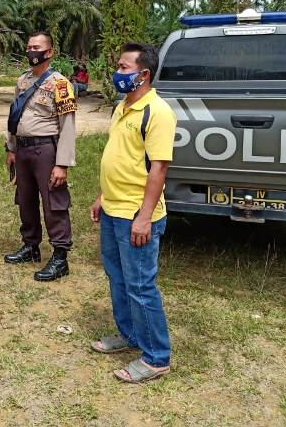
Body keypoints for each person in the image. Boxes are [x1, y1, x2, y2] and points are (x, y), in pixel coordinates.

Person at [90, 42, 177, 384]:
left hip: (136, 215)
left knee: (141, 285)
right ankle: (129, 335)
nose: (117, 72)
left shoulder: (158, 112)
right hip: (113, 209)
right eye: (118, 66)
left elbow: (158, 170)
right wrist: (101, 196)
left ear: (144, 73)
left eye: (124, 68)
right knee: (119, 278)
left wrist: (144, 216)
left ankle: (156, 357)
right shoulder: (122, 107)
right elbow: (119, 156)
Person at [5, 32, 77, 281]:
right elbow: (14, 116)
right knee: (24, 199)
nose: (30, 52)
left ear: (49, 52)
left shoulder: (60, 84)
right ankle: (30, 246)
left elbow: (67, 125)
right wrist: (11, 148)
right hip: (23, 149)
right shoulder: (22, 81)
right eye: (28, 47)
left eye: (36, 47)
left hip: (46, 149)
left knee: (53, 201)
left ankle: (60, 256)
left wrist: (62, 164)